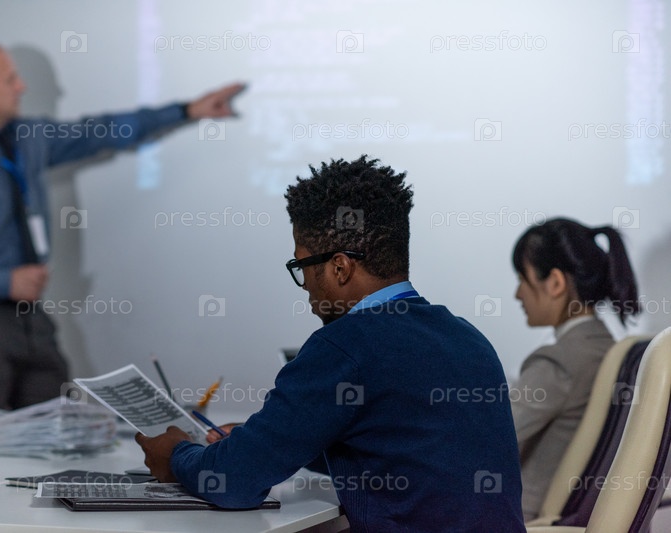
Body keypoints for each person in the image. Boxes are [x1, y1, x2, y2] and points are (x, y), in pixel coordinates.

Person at [137, 155, 526, 532]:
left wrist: (175, 454)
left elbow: (233, 482)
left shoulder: (344, 347)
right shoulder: (468, 338)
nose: (304, 286)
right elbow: (403, 455)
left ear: (339, 267)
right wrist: (268, 439)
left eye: (302, 266)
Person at [0, 38, 244, 415]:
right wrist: (3, 282)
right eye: (11, 79)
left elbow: (99, 131)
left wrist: (186, 110)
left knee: (59, 426)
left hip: (31, 317)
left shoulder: (27, 138)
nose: (21, 87)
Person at [508, 218, 640, 521]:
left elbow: (485, 437)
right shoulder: (610, 351)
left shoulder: (559, 362)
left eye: (522, 279)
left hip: (520, 518)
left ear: (555, 282)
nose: (518, 294)